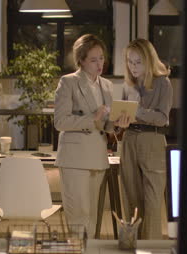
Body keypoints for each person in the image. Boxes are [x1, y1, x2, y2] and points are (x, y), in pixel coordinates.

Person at [54, 34, 114, 238]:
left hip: (97, 156)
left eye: (102, 58)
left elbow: (106, 125)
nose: (100, 64)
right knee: (79, 216)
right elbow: (60, 121)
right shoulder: (68, 82)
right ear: (81, 60)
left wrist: (117, 124)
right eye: (93, 59)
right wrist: (92, 118)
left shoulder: (106, 85)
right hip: (74, 158)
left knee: (93, 217)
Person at [117, 38, 173, 239]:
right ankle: (132, 249)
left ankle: (151, 252)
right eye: (130, 62)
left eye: (138, 62)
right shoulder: (127, 86)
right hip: (130, 140)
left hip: (153, 141)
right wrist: (118, 122)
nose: (133, 67)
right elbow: (120, 121)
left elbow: (162, 118)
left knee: (152, 202)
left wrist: (138, 112)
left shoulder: (162, 83)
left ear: (149, 60)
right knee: (131, 201)